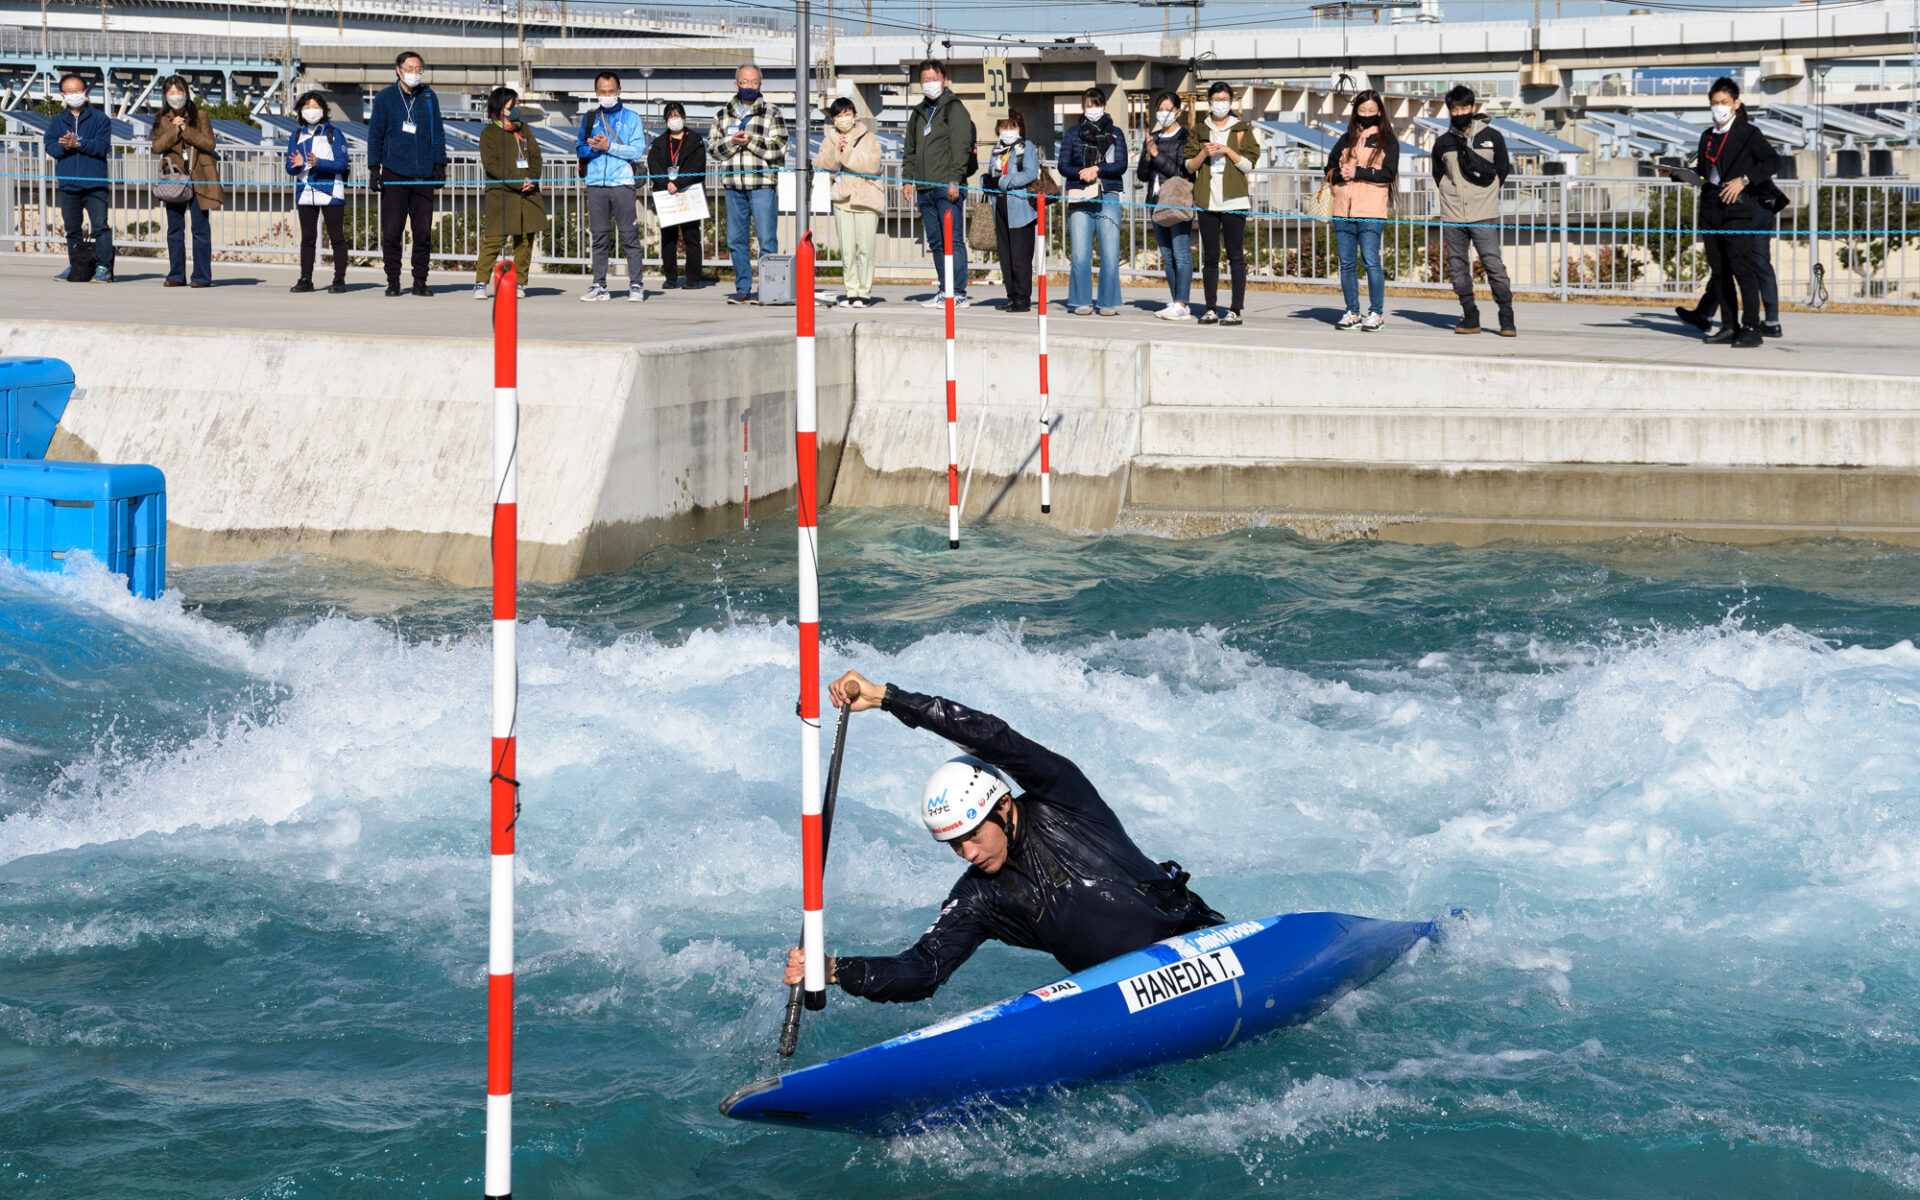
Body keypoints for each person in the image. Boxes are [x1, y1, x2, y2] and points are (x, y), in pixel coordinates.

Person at [779, 671, 1225, 1004]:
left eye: (972, 835)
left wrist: (887, 699)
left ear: (1004, 807)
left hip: (1198, 946)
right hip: (1119, 995)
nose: (968, 853)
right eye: (954, 844)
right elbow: (925, 968)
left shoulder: (1065, 799)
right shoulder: (980, 897)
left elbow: (996, 739)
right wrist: (837, 970)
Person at [1687, 77, 1778, 348]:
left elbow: (1774, 161)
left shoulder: (1748, 133)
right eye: (1714, 103)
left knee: (1742, 268)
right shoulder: (1707, 136)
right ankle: (1729, 325)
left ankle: (1751, 326)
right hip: (1711, 207)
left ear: (1736, 104)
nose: (1719, 107)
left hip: (1738, 210)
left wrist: (1745, 180)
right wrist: (1680, 175)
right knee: (1720, 270)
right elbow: (1704, 173)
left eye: (1724, 103)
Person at [1431, 85, 1515, 336]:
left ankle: (1506, 317)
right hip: (1453, 214)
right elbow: (1439, 174)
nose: (1459, 112)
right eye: (1454, 108)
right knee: (1457, 267)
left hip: (1484, 212)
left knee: (1493, 265)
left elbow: (1503, 170)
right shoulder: (1443, 142)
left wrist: (1486, 194)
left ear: (1473, 108)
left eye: (1464, 107)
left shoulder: (1492, 136)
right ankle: (1470, 315)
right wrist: (1451, 192)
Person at [366, 51, 448, 297]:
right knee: (392, 231)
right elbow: (375, 134)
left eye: (419, 68)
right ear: (398, 70)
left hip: (423, 175)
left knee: (422, 232)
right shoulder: (384, 98)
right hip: (394, 173)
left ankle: (420, 281)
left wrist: (439, 164)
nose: (415, 73)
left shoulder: (429, 97)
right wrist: (373, 168)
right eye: (410, 68)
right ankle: (393, 280)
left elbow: (439, 133)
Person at [709, 63, 788, 305]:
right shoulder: (722, 115)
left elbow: (779, 148)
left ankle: (768, 289)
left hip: (762, 184)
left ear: (760, 84)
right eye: (745, 82)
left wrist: (751, 142)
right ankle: (742, 287)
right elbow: (712, 149)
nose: (749, 87)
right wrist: (733, 142)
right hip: (733, 185)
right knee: (736, 239)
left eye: (754, 82)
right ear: (736, 85)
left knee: (766, 239)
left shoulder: (772, 113)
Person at [901, 59, 976, 308]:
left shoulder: (954, 108)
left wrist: (955, 178)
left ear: (944, 80)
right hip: (924, 187)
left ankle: (958, 292)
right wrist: (907, 180)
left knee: (952, 240)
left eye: (934, 78)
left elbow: (961, 146)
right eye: (925, 80)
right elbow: (910, 149)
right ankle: (945, 290)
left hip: (947, 186)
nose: (929, 83)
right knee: (935, 242)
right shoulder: (919, 112)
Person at [1184, 81, 1260, 326]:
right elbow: (1189, 166)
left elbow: (1248, 164)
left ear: (1231, 101)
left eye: (1224, 99)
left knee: (1235, 255)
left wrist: (1228, 150)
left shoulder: (1241, 129)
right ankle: (1210, 308)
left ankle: (1235, 308)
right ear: (1209, 101)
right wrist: (1204, 154)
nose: (1220, 103)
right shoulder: (1198, 129)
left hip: (1234, 199)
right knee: (1210, 257)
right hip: (1207, 199)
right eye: (1215, 99)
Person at [1324, 89, 1397, 332]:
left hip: (1371, 210)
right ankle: (1352, 311)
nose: (1366, 115)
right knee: (1346, 264)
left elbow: (1388, 173)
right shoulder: (1346, 139)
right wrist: (1340, 174)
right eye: (1362, 110)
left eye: (1371, 111)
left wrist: (1358, 172)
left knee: (1370, 262)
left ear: (1379, 112)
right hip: (1343, 209)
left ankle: (1376, 313)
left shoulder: (1387, 139)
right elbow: (1328, 169)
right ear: (1355, 111)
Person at [576, 72, 647, 303]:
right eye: (602, 92)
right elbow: (579, 149)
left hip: (622, 183)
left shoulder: (632, 118)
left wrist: (609, 146)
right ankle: (599, 285)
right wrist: (594, 149)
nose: (607, 96)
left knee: (629, 235)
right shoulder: (589, 118)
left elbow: (636, 150)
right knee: (598, 236)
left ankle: (636, 284)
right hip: (595, 183)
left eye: (611, 91)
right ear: (596, 93)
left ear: (619, 90)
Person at [149, 76, 224, 289]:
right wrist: (174, 130)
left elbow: (209, 144)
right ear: (165, 96)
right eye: (171, 93)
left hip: (199, 176)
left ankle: (201, 276)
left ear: (187, 93)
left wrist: (186, 130)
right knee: (175, 228)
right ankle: (176, 274)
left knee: (200, 229)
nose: (176, 97)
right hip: (174, 178)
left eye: (179, 92)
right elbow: (157, 146)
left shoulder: (200, 116)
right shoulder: (162, 119)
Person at [472, 87, 546, 301]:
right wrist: (517, 182)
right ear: (500, 108)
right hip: (502, 195)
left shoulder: (525, 130)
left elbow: (536, 156)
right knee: (495, 239)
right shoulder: (489, 133)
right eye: (512, 105)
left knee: (525, 240)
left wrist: (532, 179)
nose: (517, 108)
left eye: (517, 104)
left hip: (528, 194)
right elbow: (492, 164)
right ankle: (480, 282)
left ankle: (520, 283)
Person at [1058, 87, 1127, 317]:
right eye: (1089, 104)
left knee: (1109, 251)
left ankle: (1107, 302)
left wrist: (1097, 169)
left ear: (1104, 105)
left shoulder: (1116, 133)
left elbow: (1121, 165)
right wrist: (1082, 172)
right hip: (1080, 194)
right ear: (1083, 107)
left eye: (1096, 104)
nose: (1093, 108)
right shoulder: (1071, 133)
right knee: (1079, 252)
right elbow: (1062, 165)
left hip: (1108, 193)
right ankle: (1081, 300)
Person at [814, 97, 884, 309]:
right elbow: (822, 165)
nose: (843, 119)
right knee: (847, 251)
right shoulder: (829, 140)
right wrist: (837, 153)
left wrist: (848, 153)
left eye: (847, 114)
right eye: (838, 115)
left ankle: (864, 293)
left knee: (866, 249)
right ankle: (851, 291)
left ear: (854, 114)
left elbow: (872, 165)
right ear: (833, 119)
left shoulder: (868, 137)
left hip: (867, 200)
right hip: (842, 198)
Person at [1676, 201, 1782, 338]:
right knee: (1762, 264)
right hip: (1765, 208)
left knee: (1728, 263)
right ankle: (1772, 322)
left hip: (1744, 210)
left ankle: (1706, 315)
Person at [44, 74, 113, 282]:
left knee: (100, 226)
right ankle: (75, 266)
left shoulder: (101, 119)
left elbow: (102, 146)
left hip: (94, 183)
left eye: (78, 90)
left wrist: (79, 144)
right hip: (68, 184)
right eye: (70, 91)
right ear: (62, 95)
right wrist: (65, 146)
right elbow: (51, 147)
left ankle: (104, 267)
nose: (74, 95)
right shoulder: (57, 121)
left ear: (85, 91)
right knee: (72, 229)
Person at [285, 90, 350, 294]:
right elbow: (290, 166)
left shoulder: (333, 133)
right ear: (300, 110)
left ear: (323, 109)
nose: (311, 110)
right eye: (306, 106)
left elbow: (341, 163)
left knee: (336, 236)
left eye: (315, 106)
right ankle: (306, 279)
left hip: (331, 191)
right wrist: (296, 165)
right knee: (308, 237)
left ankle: (339, 279)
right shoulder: (297, 134)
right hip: (305, 191)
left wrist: (318, 163)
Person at [1138, 90, 1195, 321]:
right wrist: (1148, 156)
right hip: (1157, 202)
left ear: (1178, 112)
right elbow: (1143, 175)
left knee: (1181, 254)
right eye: (1159, 109)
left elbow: (1180, 172)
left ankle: (1182, 302)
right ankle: (1175, 301)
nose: (1163, 113)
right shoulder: (1153, 137)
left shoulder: (1186, 137)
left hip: (1178, 201)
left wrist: (1156, 153)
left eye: (1167, 109)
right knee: (1167, 255)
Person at [977, 109, 1039, 313]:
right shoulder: (997, 149)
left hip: (1020, 207)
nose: (1007, 131)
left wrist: (1002, 181)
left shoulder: (1026, 147)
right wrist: (986, 182)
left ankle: (1023, 298)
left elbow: (1029, 173)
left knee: (1021, 256)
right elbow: (989, 175)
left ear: (1020, 127)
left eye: (1012, 126)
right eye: (1004, 126)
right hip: (999, 206)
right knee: (1006, 255)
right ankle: (1011, 295)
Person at [647, 102, 708, 290]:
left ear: (684, 117)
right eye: (671, 116)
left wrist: (679, 183)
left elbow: (697, 167)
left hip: (688, 193)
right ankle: (671, 277)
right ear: (666, 120)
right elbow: (654, 165)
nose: (675, 119)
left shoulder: (695, 140)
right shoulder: (658, 143)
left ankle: (693, 278)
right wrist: (667, 183)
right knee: (668, 238)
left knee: (691, 236)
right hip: (666, 194)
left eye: (678, 115)